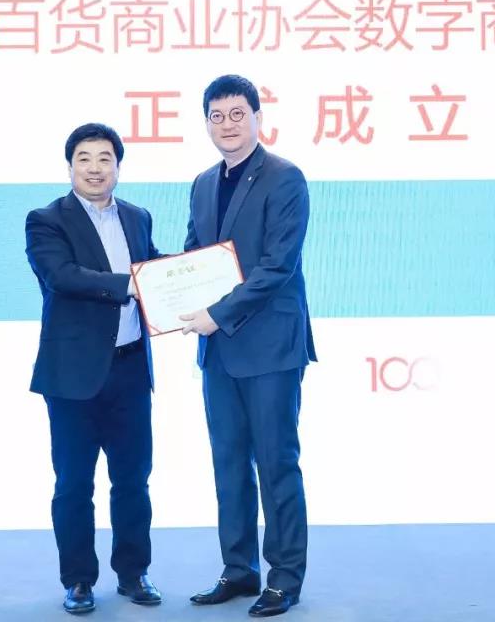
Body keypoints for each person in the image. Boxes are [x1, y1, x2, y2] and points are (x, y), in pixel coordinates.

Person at [181, 75, 317, 617]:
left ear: (258, 117)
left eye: (238, 113)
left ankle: (284, 578)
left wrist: (216, 314)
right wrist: (167, 290)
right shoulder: (202, 183)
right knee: (229, 464)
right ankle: (238, 569)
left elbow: (277, 267)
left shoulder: (285, 178)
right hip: (218, 351)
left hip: (269, 348)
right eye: (217, 116)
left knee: (276, 463)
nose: (228, 125)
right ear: (206, 123)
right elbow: (195, 257)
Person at [25, 122, 162, 614]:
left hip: (130, 370)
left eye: (105, 158)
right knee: (73, 485)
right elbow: (62, 276)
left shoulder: (138, 217)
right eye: (84, 158)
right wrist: (130, 284)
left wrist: (196, 275)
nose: (95, 168)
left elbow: (154, 270)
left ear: (118, 167)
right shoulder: (46, 221)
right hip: (72, 377)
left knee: (133, 481)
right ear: (70, 167)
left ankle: (134, 573)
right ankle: (79, 580)